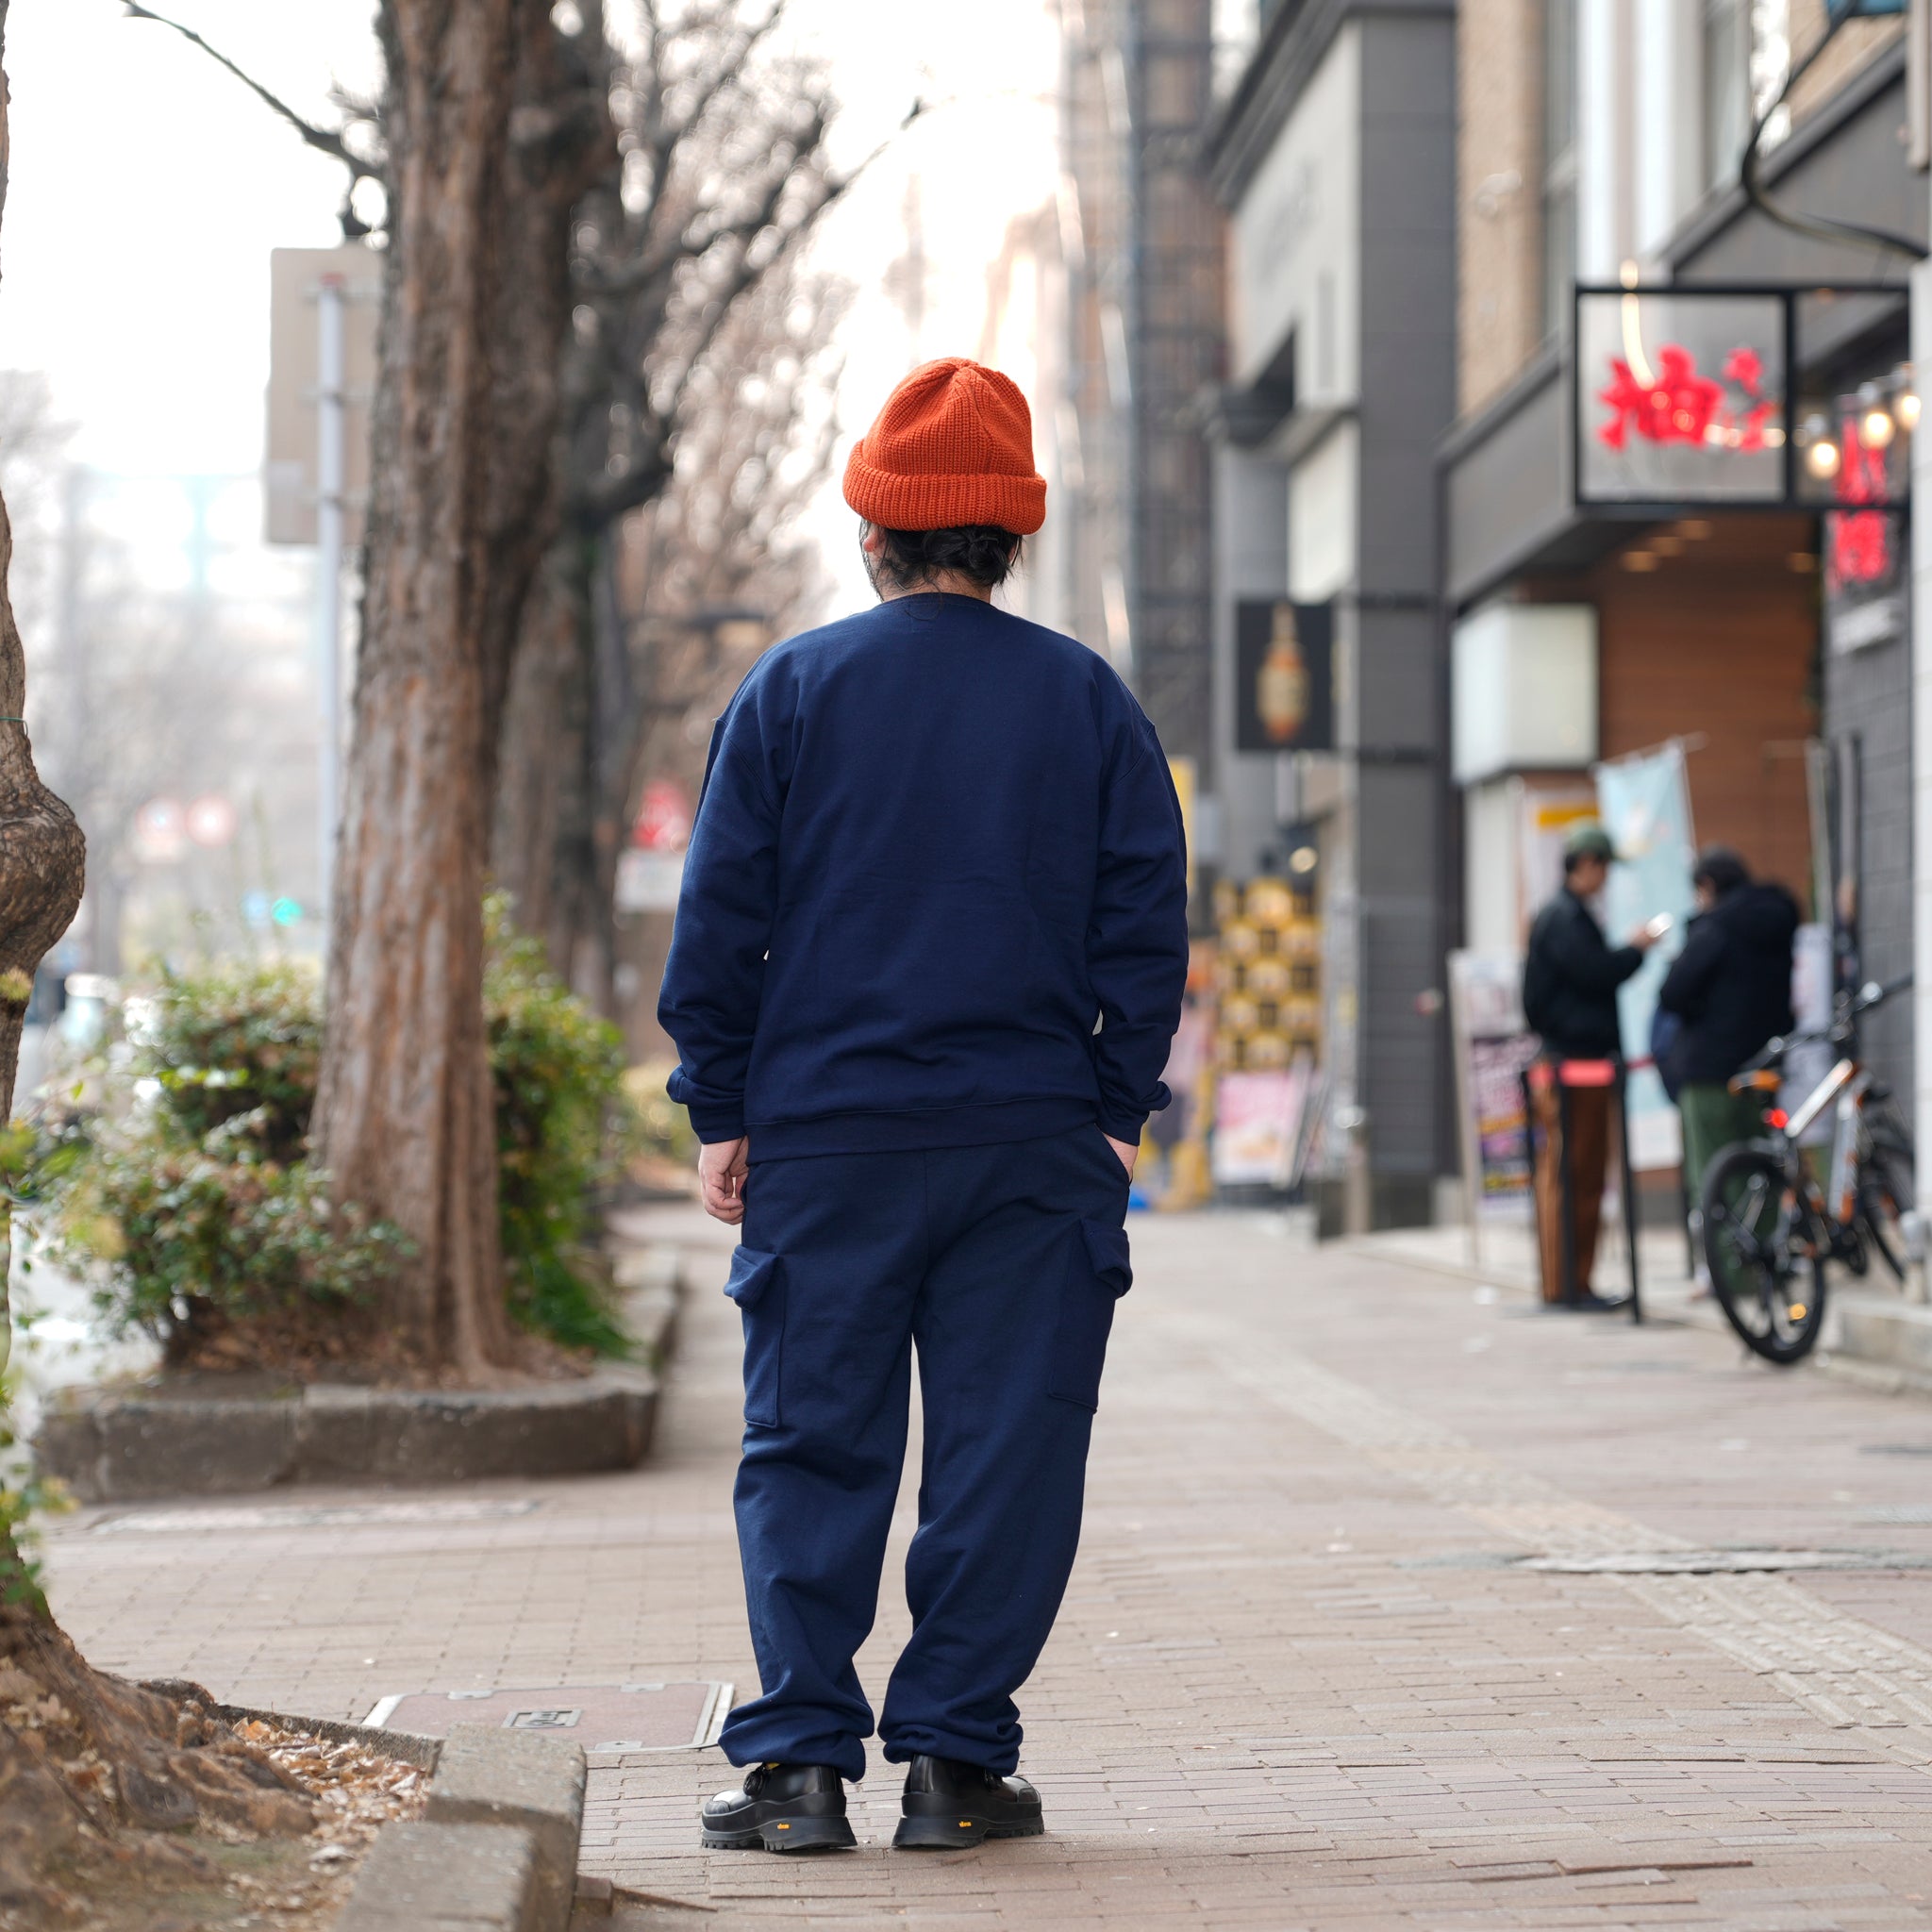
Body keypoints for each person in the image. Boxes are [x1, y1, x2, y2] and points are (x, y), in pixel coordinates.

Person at [658, 357, 1190, 1856]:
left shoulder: (794, 691)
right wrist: (1109, 1106)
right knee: (1008, 1449)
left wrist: (724, 1103)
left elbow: (723, 919)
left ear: (873, 534)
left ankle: (800, 1772)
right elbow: (1147, 922)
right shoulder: (1087, 697)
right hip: (1030, 1141)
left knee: (811, 1442)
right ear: (1009, 539)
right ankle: (957, 1767)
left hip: (828, 1135)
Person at [1522, 821, 1660, 1303]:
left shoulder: (1562, 914)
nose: (1604, 879)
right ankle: (1567, 1283)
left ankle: (1569, 1282)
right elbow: (1595, 974)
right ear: (1585, 865)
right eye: (1602, 867)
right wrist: (1635, 950)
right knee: (1575, 1173)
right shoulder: (1564, 917)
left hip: (1570, 1062)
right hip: (1574, 1064)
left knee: (1572, 1173)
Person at [1656, 846, 1797, 1219]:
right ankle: (1767, 1270)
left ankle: (1729, 1274)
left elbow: (1672, 993)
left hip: (1710, 1072)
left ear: (1708, 885)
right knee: (1760, 1173)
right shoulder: (1778, 920)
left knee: (1713, 1179)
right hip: (1764, 1068)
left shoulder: (1715, 927)